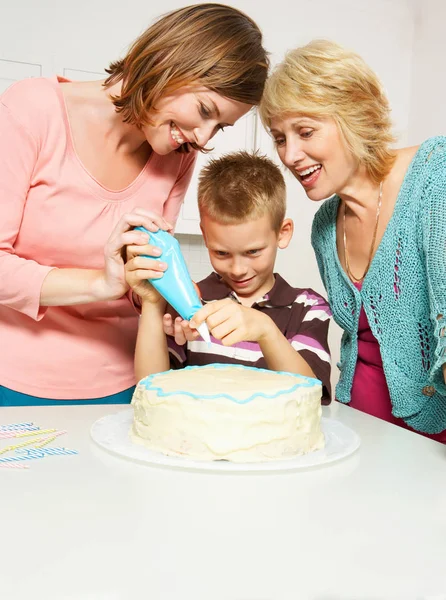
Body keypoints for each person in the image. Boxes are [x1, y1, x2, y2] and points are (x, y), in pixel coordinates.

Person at [0, 3, 269, 406]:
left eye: (220, 127)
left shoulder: (179, 153)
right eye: (204, 111)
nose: (204, 137)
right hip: (16, 379)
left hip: (126, 384)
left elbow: (142, 277)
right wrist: (100, 283)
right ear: (168, 61)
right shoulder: (32, 110)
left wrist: (171, 302)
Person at [259, 39, 446, 440]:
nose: (290, 154)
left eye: (305, 131)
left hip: (432, 435)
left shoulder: (435, 176)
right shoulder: (325, 224)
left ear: (353, 115)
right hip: (357, 427)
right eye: (279, 138)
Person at [125, 151, 332, 403]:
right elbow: (149, 393)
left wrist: (266, 331)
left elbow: (309, 397)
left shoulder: (308, 308)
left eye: (253, 251)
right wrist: (152, 303)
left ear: (283, 233)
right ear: (205, 235)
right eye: (222, 252)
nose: (237, 269)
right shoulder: (191, 303)